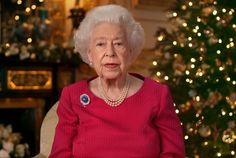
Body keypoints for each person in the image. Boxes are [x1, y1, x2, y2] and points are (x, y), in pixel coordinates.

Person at [49, 4, 185, 158]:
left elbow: (174, 154)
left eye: (118, 44)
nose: (110, 53)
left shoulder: (157, 94)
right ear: (89, 53)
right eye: (101, 44)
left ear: (130, 51)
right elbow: (60, 155)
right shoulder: (72, 96)